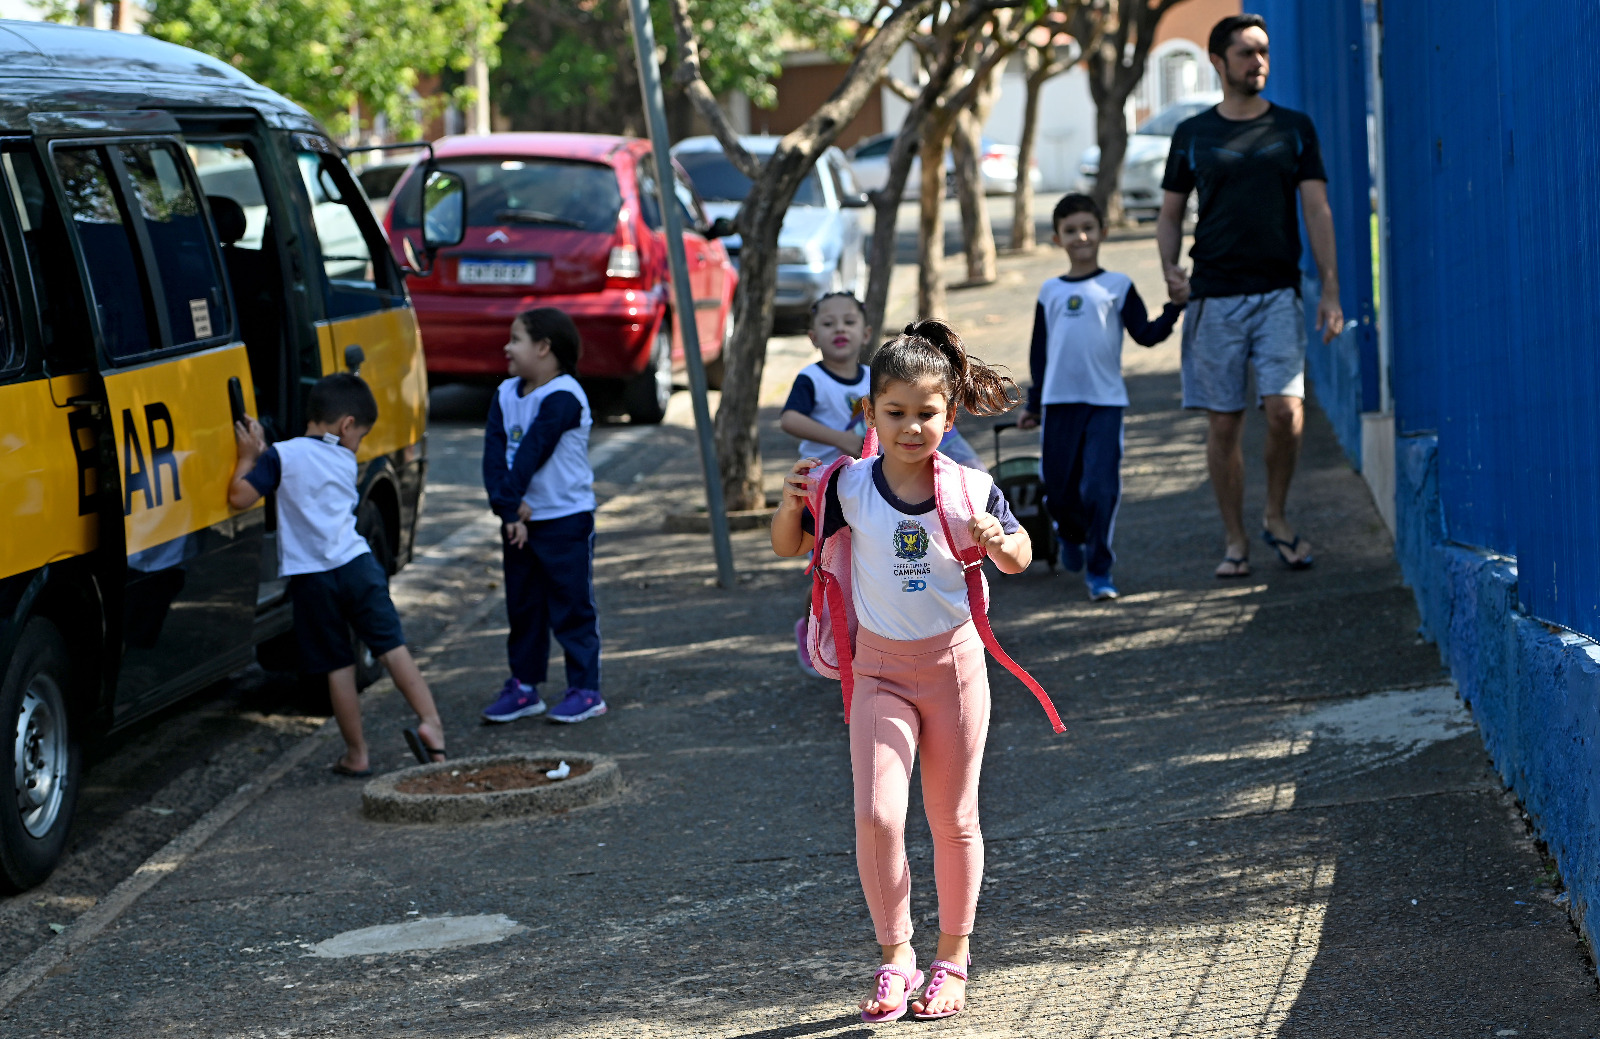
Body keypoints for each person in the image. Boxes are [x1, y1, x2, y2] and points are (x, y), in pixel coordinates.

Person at [771, 320, 1033, 1023]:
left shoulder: (969, 487)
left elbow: (1020, 554)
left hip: (954, 670)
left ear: (949, 416)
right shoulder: (847, 486)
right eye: (896, 413)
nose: (913, 427)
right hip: (879, 672)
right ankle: (896, 956)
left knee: (953, 818)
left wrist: (1001, 540)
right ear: (870, 414)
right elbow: (785, 544)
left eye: (927, 413)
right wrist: (791, 499)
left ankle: (953, 956)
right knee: (878, 814)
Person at [1156, 13, 1345, 578]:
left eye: (1263, 51)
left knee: (1286, 412)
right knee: (1224, 424)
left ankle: (1277, 517)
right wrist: (1168, 266)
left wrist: (1330, 287)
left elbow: (1317, 208)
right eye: (1245, 52)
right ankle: (1235, 538)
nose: (1257, 61)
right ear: (1218, 61)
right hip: (1214, 296)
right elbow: (1168, 215)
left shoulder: (1294, 128)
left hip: (1277, 294)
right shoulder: (1193, 134)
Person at [228, 373, 445, 775]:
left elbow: (241, 495)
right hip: (359, 566)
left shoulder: (282, 455)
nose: (357, 443)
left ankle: (356, 755)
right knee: (392, 647)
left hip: (314, 579)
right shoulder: (345, 459)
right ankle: (431, 724)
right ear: (346, 426)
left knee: (337, 666)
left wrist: (249, 456)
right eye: (360, 435)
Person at [1019, 193, 1187, 601]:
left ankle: (1099, 570)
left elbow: (1145, 335)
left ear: (1103, 232)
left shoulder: (1118, 286)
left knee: (1100, 489)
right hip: (1058, 405)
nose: (1080, 237)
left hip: (1105, 404)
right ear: (1057, 238)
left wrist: (1174, 308)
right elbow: (1039, 353)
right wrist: (1034, 404)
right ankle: (1070, 537)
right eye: (1070, 230)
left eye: (1088, 228)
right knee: (1058, 492)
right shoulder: (1050, 291)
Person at [479, 307, 605, 725]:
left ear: (544, 347)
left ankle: (586, 690)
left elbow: (534, 448)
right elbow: (494, 458)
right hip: (520, 521)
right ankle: (524, 687)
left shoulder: (565, 396)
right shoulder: (503, 394)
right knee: (523, 606)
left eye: (515, 339)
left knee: (571, 607)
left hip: (565, 519)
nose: (506, 347)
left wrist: (511, 502)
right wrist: (507, 509)